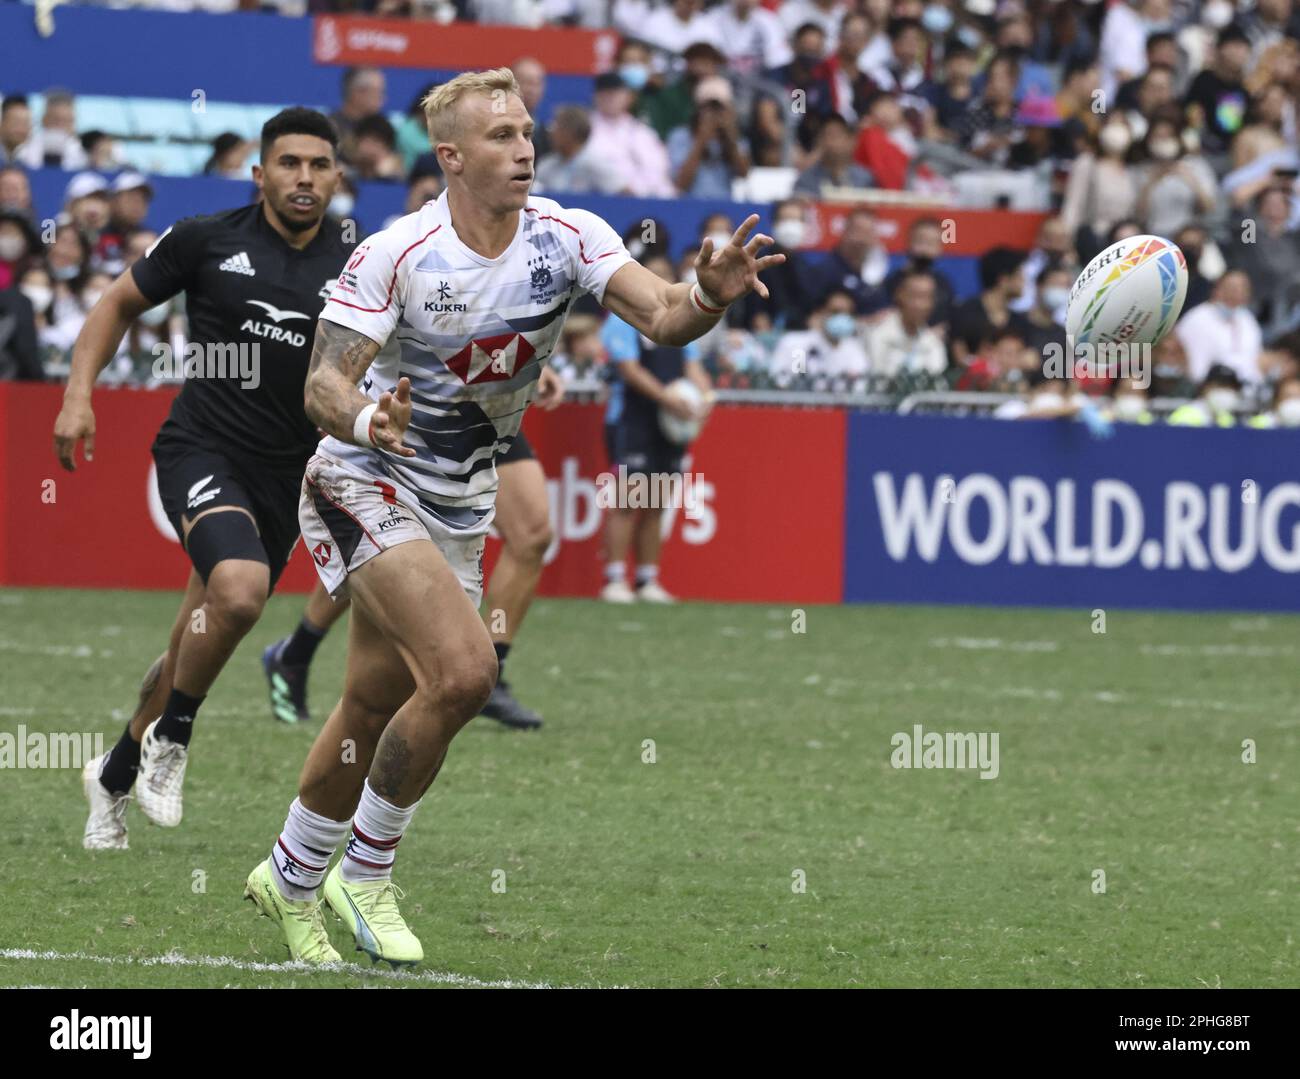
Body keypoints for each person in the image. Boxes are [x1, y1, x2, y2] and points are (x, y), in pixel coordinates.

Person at [242, 67, 782, 966]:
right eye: (499, 135)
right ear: (450, 156)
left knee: (375, 701)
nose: (523, 147)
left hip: (461, 497)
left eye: (526, 130)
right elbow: (324, 385)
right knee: (462, 673)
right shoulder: (397, 253)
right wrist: (371, 417)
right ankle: (364, 873)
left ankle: (291, 876)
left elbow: (662, 316)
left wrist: (712, 295)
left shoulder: (568, 236)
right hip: (363, 477)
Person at [53, 109, 353, 852]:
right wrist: (77, 394)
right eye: (289, 163)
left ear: (337, 176)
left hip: (291, 473)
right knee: (243, 590)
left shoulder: (359, 260)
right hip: (203, 448)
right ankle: (175, 735)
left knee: (197, 630)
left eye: (319, 165)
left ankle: (115, 772)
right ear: (260, 173)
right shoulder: (205, 237)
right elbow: (117, 302)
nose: (304, 178)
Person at [262, 383, 566, 732]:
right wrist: (344, 390)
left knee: (533, 535)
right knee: (384, 540)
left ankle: (492, 668)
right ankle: (296, 652)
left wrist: (529, 363)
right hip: (414, 402)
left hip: (487, 406)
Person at [600, 253, 715, 604]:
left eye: (668, 275)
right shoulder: (622, 320)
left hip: (671, 424)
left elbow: (693, 367)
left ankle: (647, 579)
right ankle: (615, 578)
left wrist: (706, 398)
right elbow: (630, 370)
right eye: (655, 274)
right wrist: (668, 398)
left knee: (658, 501)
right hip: (633, 419)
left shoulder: (683, 322)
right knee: (628, 499)